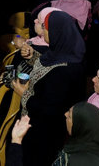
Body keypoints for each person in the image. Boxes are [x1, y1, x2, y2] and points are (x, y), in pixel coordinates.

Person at [11, 10, 88, 165]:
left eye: (46, 28)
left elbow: (50, 109)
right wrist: (33, 55)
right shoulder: (60, 52)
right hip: (34, 125)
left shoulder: (66, 70)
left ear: (56, 32)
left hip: (43, 134)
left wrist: (24, 94)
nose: (43, 31)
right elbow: (48, 67)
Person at [8, 103, 99, 166]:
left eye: (70, 116)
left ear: (78, 125)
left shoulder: (74, 161)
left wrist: (16, 140)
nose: (65, 114)